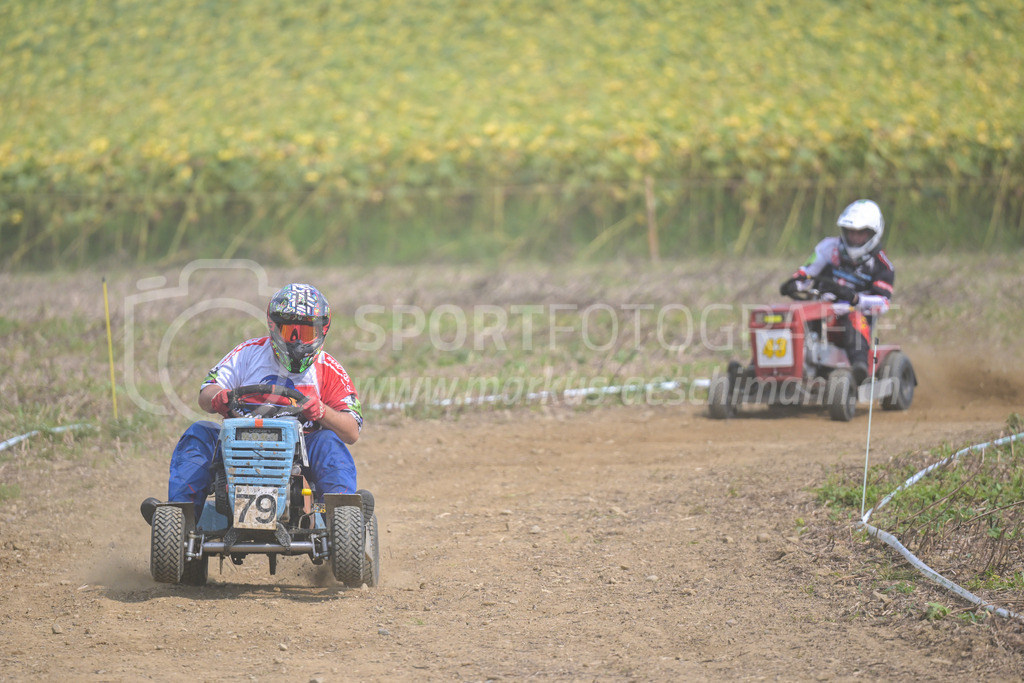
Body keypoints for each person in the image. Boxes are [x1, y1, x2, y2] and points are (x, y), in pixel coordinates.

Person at [141, 283, 365, 524]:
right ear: (274, 327)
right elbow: (207, 390)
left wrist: (322, 411)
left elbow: (351, 431)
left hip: (301, 452)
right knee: (199, 434)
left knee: (329, 442)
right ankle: (179, 520)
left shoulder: (329, 368)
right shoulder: (248, 354)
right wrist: (218, 396)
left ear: (322, 332)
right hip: (239, 441)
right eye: (290, 332)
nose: (297, 341)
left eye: (306, 333)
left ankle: (342, 519)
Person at [780, 199, 894, 385]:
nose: (854, 238)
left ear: (873, 234)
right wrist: (795, 284)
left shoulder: (882, 265)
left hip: (855, 318)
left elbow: (883, 304)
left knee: (854, 318)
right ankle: (770, 367)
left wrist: (856, 299)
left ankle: (859, 368)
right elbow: (807, 271)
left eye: (860, 233)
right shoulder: (828, 247)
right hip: (822, 309)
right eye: (851, 233)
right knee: (794, 317)